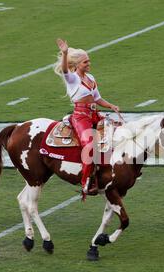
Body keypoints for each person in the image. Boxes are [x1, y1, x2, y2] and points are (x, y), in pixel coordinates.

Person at [54, 38, 121, 196]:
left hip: (94, 114)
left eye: (88, 61)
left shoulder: (91, 78)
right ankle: (86, 182)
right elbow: (64, 70)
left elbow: (97, 98)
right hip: (80, 117)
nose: (88, 64)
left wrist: (111, 106)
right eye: (85, 62)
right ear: (77, 64)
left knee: (118, 132)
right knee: (89, 146)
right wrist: (64, 53)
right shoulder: (72, 78)